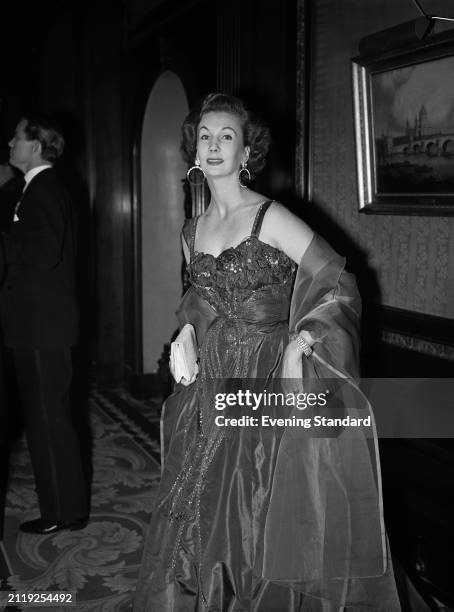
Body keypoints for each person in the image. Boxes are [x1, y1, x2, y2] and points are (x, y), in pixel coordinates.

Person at [133, 93, 401, 610]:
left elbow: (339, 283)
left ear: (246, 152)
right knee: (200, 509)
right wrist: (186, 333)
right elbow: (198, 299)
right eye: (205, 136)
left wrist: (304, 342)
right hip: (213, 384)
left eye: (226, 136)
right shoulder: (192, 231)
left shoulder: (270, 217)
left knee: (256, 507)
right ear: (194, 150)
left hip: (268, 378)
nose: (213, 146)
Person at [0, 113, 88, 534]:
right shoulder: (36, 189)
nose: (10, 142)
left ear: (35, 145)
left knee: (48, 421)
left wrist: (8, 234)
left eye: (17, 137)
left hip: (43, 327)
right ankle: (63, 509)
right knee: (47, 420)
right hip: (37, 326)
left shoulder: (44, 189)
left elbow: (44, 252)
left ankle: (61, 513)